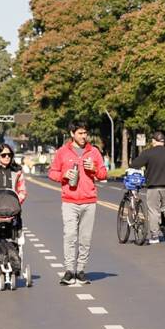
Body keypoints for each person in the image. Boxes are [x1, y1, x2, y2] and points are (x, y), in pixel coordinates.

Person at [48, 121, 107, 285]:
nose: (84, 136)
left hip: (89, 201)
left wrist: (94, 169)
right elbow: (52, 173)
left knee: (85, 238)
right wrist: (63, 175)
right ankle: (69, 270)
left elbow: (103, 173)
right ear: (72, 134)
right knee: (70, 236)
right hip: (69, 201)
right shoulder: (62, 152)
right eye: (80, 133)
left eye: (85, 133)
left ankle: (81, 270)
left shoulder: (93, 152)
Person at [129, 131, 165, 243]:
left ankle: (155, 236)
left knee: (153, 211)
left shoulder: (148, 153)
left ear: (154, 141)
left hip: (153, 186)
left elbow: (135, 164)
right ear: (163, 141)